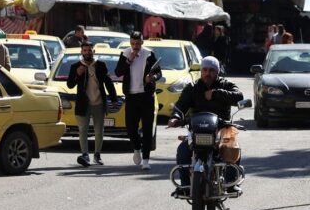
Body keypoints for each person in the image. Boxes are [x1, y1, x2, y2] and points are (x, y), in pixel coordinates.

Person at [168, 56, 244, 196]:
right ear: (201, 71)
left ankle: (231, 184)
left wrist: (216, 94)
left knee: (232, 147)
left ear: (217, 72)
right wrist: (175, 117)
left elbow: (239, 96)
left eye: (211, 70)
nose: (207, 73)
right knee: (183, 150)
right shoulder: (192, 87)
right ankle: (185, 186)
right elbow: (180, 106)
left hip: (221, 129)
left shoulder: (225, 85)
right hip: (197, 129)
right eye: (204, 70)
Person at [67, 41, 119, 166]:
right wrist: (77, 74)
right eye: (85, 50)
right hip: (83, 104)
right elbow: (70, 85)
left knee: (99, 131)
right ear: (81, 52)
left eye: (89, 50)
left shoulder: (101, 65)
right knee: (83, 130)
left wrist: (114, 98)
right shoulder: (75, 66)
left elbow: (108, 82)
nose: (87, 53)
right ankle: (85, 155)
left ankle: (97, 155)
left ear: (93, 51)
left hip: (99, 102)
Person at [115, 31, 162, 170]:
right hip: (131, 97)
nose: (135, 46)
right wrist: (129, 60)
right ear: (130, 43)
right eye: (133, 43)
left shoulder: (149, 54)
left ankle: (146, 160)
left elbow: (159, 73)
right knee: (131, 128)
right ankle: (136, 148)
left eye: (138, 43)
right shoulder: (125, 54)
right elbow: (118, 72)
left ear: (142, 42)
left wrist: (152, 78)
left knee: (147, 129)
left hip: (146, 97)